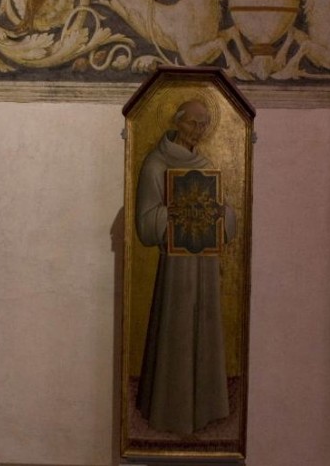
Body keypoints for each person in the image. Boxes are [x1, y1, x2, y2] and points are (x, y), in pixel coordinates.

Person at [135, 99, 236, 435]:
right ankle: (170, 411)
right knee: (175, 332)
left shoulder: (205, 164)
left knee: (204, 330)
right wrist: (175, 212)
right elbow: (145, 224)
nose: (199, 130)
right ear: (177, 122)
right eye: (194, 123)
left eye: (204, 124)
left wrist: (221, 214)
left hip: (204, 264)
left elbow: (225, 213)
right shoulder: (156, 165)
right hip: (176, 268)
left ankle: (207, 409)